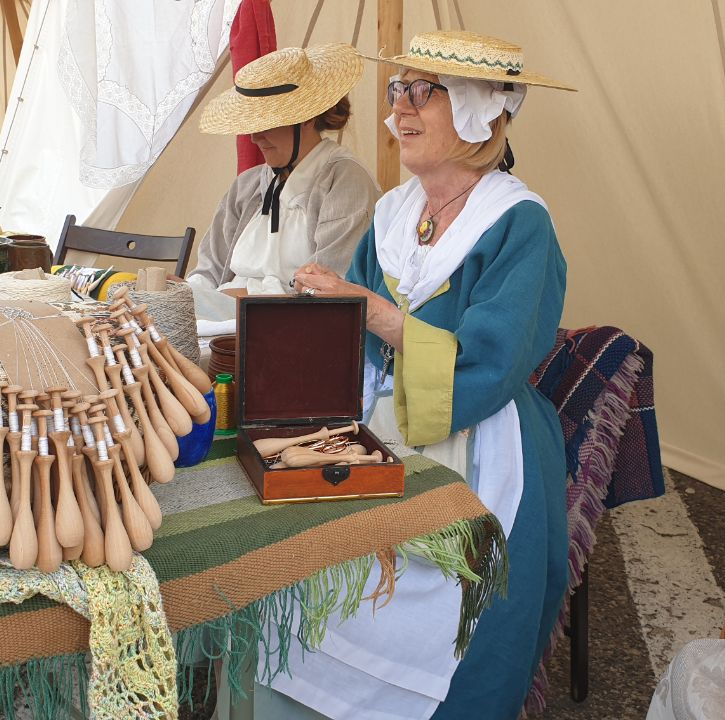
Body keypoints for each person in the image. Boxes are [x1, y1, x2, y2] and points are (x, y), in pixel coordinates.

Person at [273, 31, 576, 719]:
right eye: (395, 90)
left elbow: (491, 362)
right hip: (371, 424)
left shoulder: (518, 223)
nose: (398, 110)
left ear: (476, 111)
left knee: (453, 616)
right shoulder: (392, 213)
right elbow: (350, 337)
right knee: (310, 567)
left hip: (481, 439)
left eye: (422, 92)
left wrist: (375, 313)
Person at [188, 43, 378, 298]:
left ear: (307, 118)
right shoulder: (247, 185)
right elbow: (209, 271)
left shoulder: (346, 181)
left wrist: (237, 299)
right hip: (222, 315)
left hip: (294, 320)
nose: (255, 137)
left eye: (267, 123)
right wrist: (186, 293)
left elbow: (329, 290)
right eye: (251, 124)